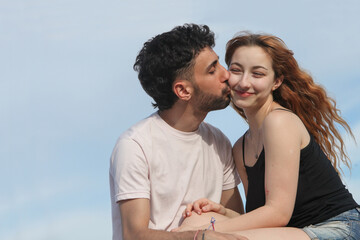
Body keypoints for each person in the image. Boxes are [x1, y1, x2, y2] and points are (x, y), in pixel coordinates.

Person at [176, 32, 360, 239]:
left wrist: (202, 232)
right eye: (236, 70)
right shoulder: (240, 148)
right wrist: (222, 212)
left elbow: (278, 213)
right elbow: (258, 214)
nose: (244, 83)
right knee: (197, 219)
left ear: (276, 82)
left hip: (339, 227)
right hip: (295, 231)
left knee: (204, 235)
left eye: (258, 74)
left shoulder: (279, 122)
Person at [109, 24, 247, 240]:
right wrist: (199, 237)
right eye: (212, 70)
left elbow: (238, 220)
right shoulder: (135, 145)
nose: (226, 74)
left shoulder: (218, 140)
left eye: (219, 63)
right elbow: (134, 235)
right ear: (183, 90)